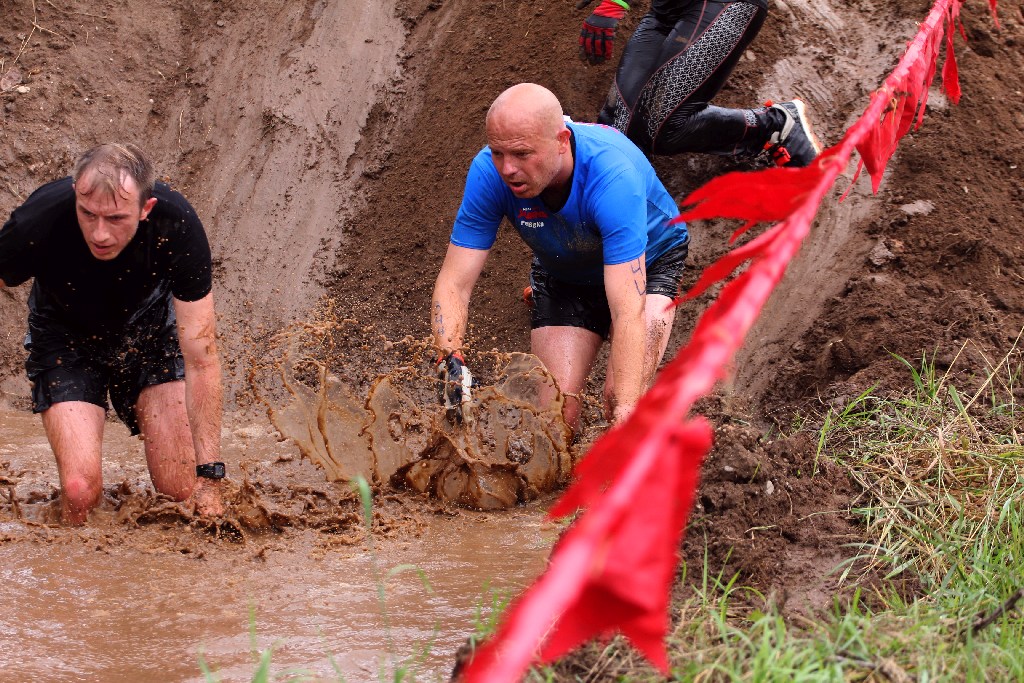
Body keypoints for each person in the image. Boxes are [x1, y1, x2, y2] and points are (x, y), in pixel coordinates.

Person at [430, 83, 689, 436]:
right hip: (565, 269)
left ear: (562, 141)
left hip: (648, 263)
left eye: (522, 154)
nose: (508, 169)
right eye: (498, 153)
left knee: (620, 399)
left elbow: (628, 310)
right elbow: (454, 282)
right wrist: (450, 359)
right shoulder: (488, 174)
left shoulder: (612, 176)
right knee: (556, 418)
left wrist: (627, 410)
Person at [0, 143, 226, 524]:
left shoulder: (178, 225)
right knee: (79, 493)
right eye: (88, 215)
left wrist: (211, 476)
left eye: (117, 219)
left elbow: (202, 359)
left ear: (145, 209)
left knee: (185, 491)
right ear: (75, 194)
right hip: (64, 338)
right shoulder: (40, 219)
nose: (100, 233)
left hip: (150, 335)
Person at [577, 0, 821, 167]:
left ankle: (774, 124)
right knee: (618, 127)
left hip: (726, 5)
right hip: (665, 11)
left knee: (658, 129)